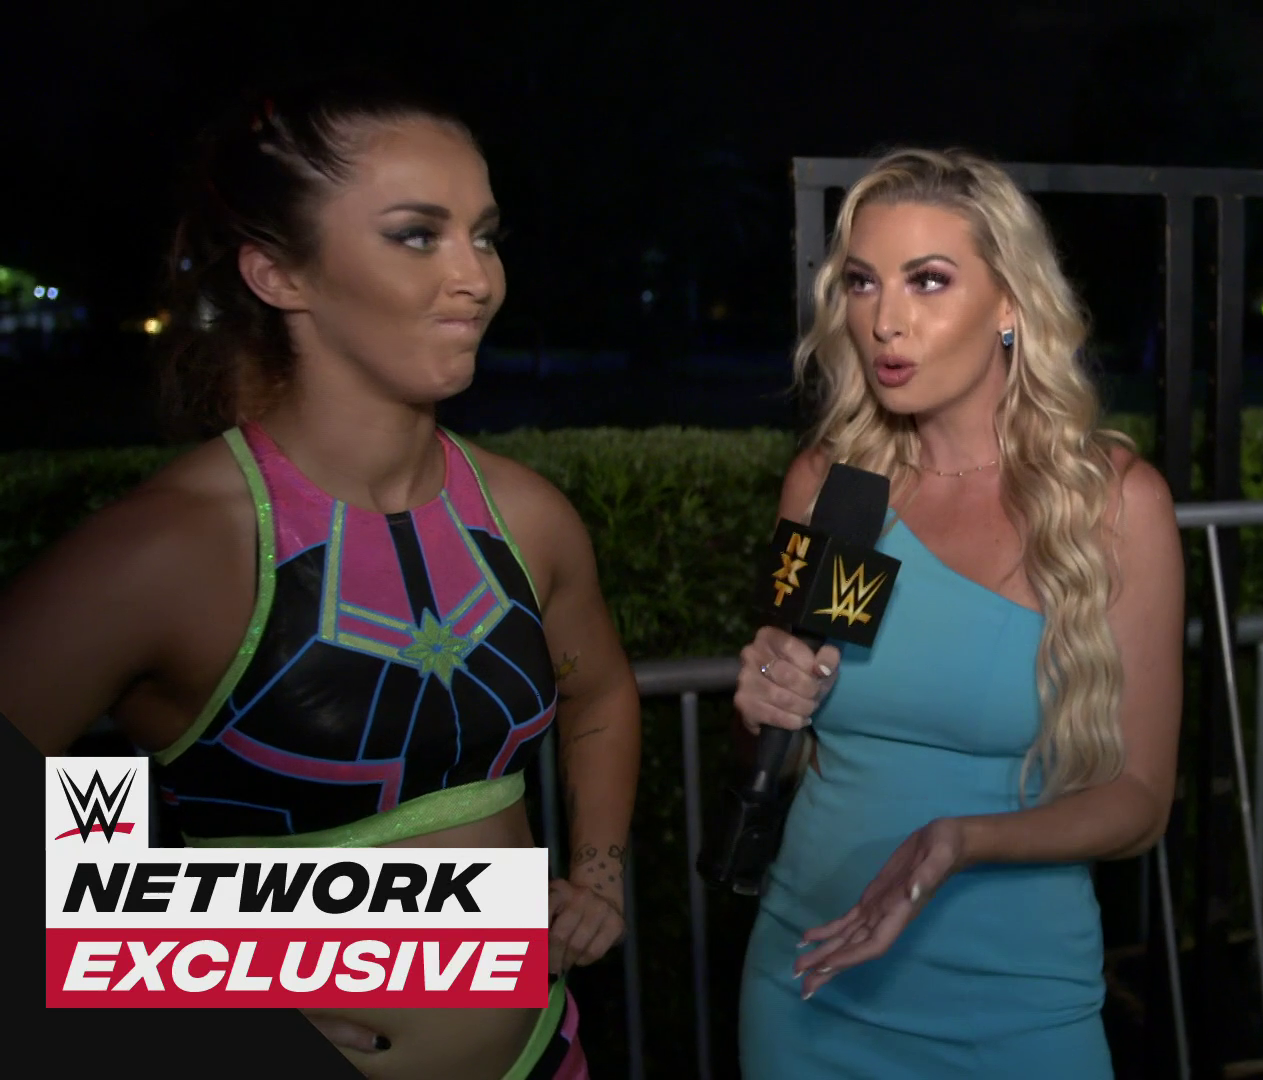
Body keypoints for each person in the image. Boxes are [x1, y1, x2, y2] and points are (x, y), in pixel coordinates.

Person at [0, 77, 640, 1080]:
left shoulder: (527, 516)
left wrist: (597, 875)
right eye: (417, 235)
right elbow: (63, 800)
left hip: (546, 1057)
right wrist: (166, 976)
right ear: (277, 274)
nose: (476, 278)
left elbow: (598, 692)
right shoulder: (169, 552)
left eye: (484, 235)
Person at [729, 147, 1186, 1078]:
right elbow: (779, 744)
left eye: (928, 281)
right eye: (863, 282)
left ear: (1010, 304)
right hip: (807, 984)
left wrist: (965, 842)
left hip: (1016, 1008)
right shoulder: (835, 490)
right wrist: (763, 702)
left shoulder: (1110, 505)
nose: (884, 321)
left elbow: (1139, 802)